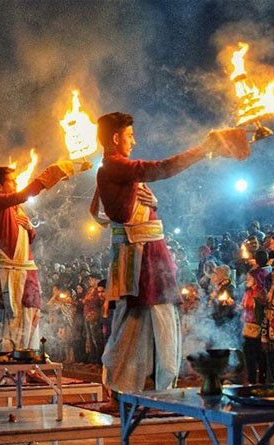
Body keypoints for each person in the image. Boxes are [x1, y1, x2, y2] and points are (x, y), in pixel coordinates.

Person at [92, 111, 249, 394]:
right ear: (116, 138)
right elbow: (161, 168)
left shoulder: (117, 170)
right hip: (140, 255)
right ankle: (132, 387)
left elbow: (136, 206)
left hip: (147, 252)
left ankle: (144, 386)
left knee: (152, 319)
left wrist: (154, 204)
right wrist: (204, 148)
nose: (133, 140)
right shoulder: (114, 165)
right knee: (139, 320)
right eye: (129, 135)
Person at [0, 161, 90, 351]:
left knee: (32, 313)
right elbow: (24, 195)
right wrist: (56, 170)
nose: (16, 184)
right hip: (11, 272)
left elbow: (27, 239)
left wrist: (30, 227)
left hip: (27, 270)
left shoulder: (18, 210)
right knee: (13, 318)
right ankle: (11, 361)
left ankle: (28, 357)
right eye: (11, 181)